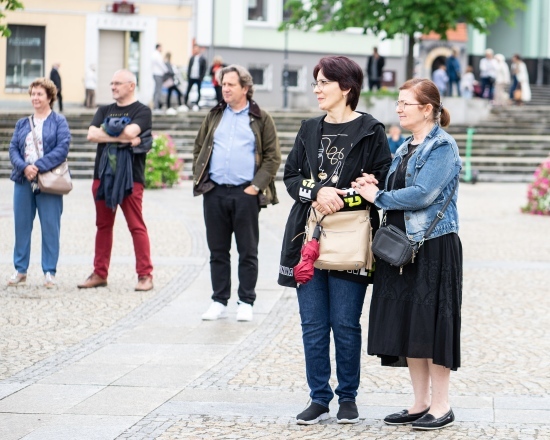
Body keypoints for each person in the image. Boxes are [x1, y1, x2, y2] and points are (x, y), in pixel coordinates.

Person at [278, 56, 391, 425]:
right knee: (312, 324)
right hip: (308, 237)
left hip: (352, 239)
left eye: (323, 82)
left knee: (345, 323)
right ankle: (318, 397)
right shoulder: (309, 128)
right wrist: (317, 192)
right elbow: (291, 176)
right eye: (316, 83)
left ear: (346, 87)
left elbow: (383, 180)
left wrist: (345, 195)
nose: (317, 89)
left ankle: (347, 398)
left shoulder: (371, 129)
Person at [352, 78, 462, 431]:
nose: (398, 109)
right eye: (398, 103)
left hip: (432, 247)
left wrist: (378, 197)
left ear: (427, 109)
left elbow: (422, 195)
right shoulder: (404, 149)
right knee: (411, 325)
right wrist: (373, 186)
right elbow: (394, 187)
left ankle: (441, 406)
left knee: (431, 326)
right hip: (401, 247)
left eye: (405, 103)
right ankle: (419, 403)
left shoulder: (442, 146)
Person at [193, 64, 281, 322]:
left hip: (246, 194)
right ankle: (219, 300)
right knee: (217, 250)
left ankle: (246, 300)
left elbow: (273, 157)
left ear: (245, 88)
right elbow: (200, 148)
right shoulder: (214, 115)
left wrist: (255, 187)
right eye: (223, 84)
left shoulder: (261, 118)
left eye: (231, 84)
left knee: (247, 250)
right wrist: (204, 179)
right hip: (215, 192)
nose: (226, 88)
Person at [78, 69, 154, 292]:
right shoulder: (104, 109)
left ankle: (145, 275)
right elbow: (92, 135)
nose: (113, 87)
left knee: (136, 226)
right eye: (111, 83)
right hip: (102, 177)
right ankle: (99, 273)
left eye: (118, 83)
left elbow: (132, 132)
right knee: (103, 226)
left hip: (131, 178)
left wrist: (112, 133)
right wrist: (124, 137)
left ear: (131, 85)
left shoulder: (142, 111)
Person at [7, 77, 71, 287]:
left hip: (49, 181)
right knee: (21, 226)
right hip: (23, 180)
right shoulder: (22, 123)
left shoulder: (59, 121)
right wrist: (25, 167)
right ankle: (20, 270)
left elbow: (62, 148)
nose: (35, 98)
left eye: (39, 94)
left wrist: (38, 166)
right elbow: (13, 149)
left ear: (49, 97)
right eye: (33, 94)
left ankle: (49, 272)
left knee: (51, 226)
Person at [185, 44, 207, 110]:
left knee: (198, 91)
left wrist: (201, 77)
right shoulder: (192, 58)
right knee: (188, 90)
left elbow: (204, 68)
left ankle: (197, 104)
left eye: (196, 49)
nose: (195, 50)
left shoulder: (202, 58)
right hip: (191, 77)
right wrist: (188, 76)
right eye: (194, 49)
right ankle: (185, 103)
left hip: (198, 77)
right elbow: (189, 67)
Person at [152, 43, 167, 110]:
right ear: (158, 47)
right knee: (158, 90)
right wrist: (166, 70)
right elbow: (161, 64)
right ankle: (156, 106)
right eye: (161, 47)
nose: (162, 49)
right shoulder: (157, 55)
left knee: (156, 90)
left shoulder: (154, 54)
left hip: (156, 74)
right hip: (158, 74)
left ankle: (155, 104)